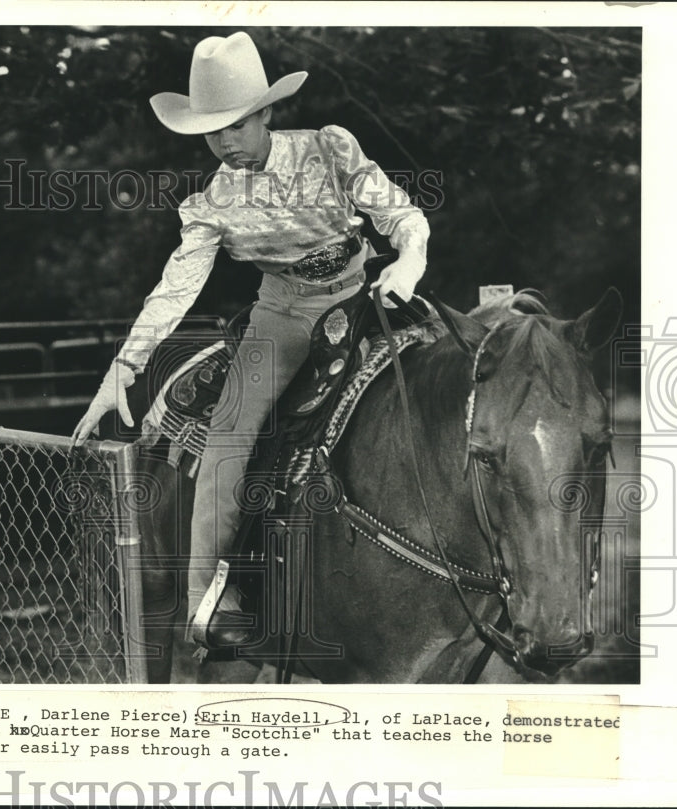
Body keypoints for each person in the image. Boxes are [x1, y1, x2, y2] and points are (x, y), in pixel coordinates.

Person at [71, 31, 430, 652]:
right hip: (279, 316)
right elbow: (175, 287)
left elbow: (401, 214)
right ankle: (210, 603)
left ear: (266, 112)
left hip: (366, 296)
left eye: (236, 124)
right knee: (230, 436)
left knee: (451, 382)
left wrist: (410, 259)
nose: (225, 141)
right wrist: (122, 369)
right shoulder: (210, 203)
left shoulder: (329, 148)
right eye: (212, 130)